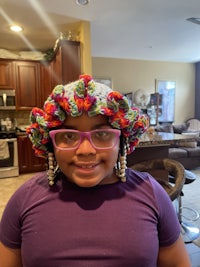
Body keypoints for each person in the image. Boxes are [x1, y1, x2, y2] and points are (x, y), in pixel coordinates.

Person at [0, 74, 191, 267]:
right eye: (68, 135)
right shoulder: (24, 200)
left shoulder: (153, 194)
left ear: (122, 142)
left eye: (101, 134)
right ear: (51, 143)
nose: (85, 151)